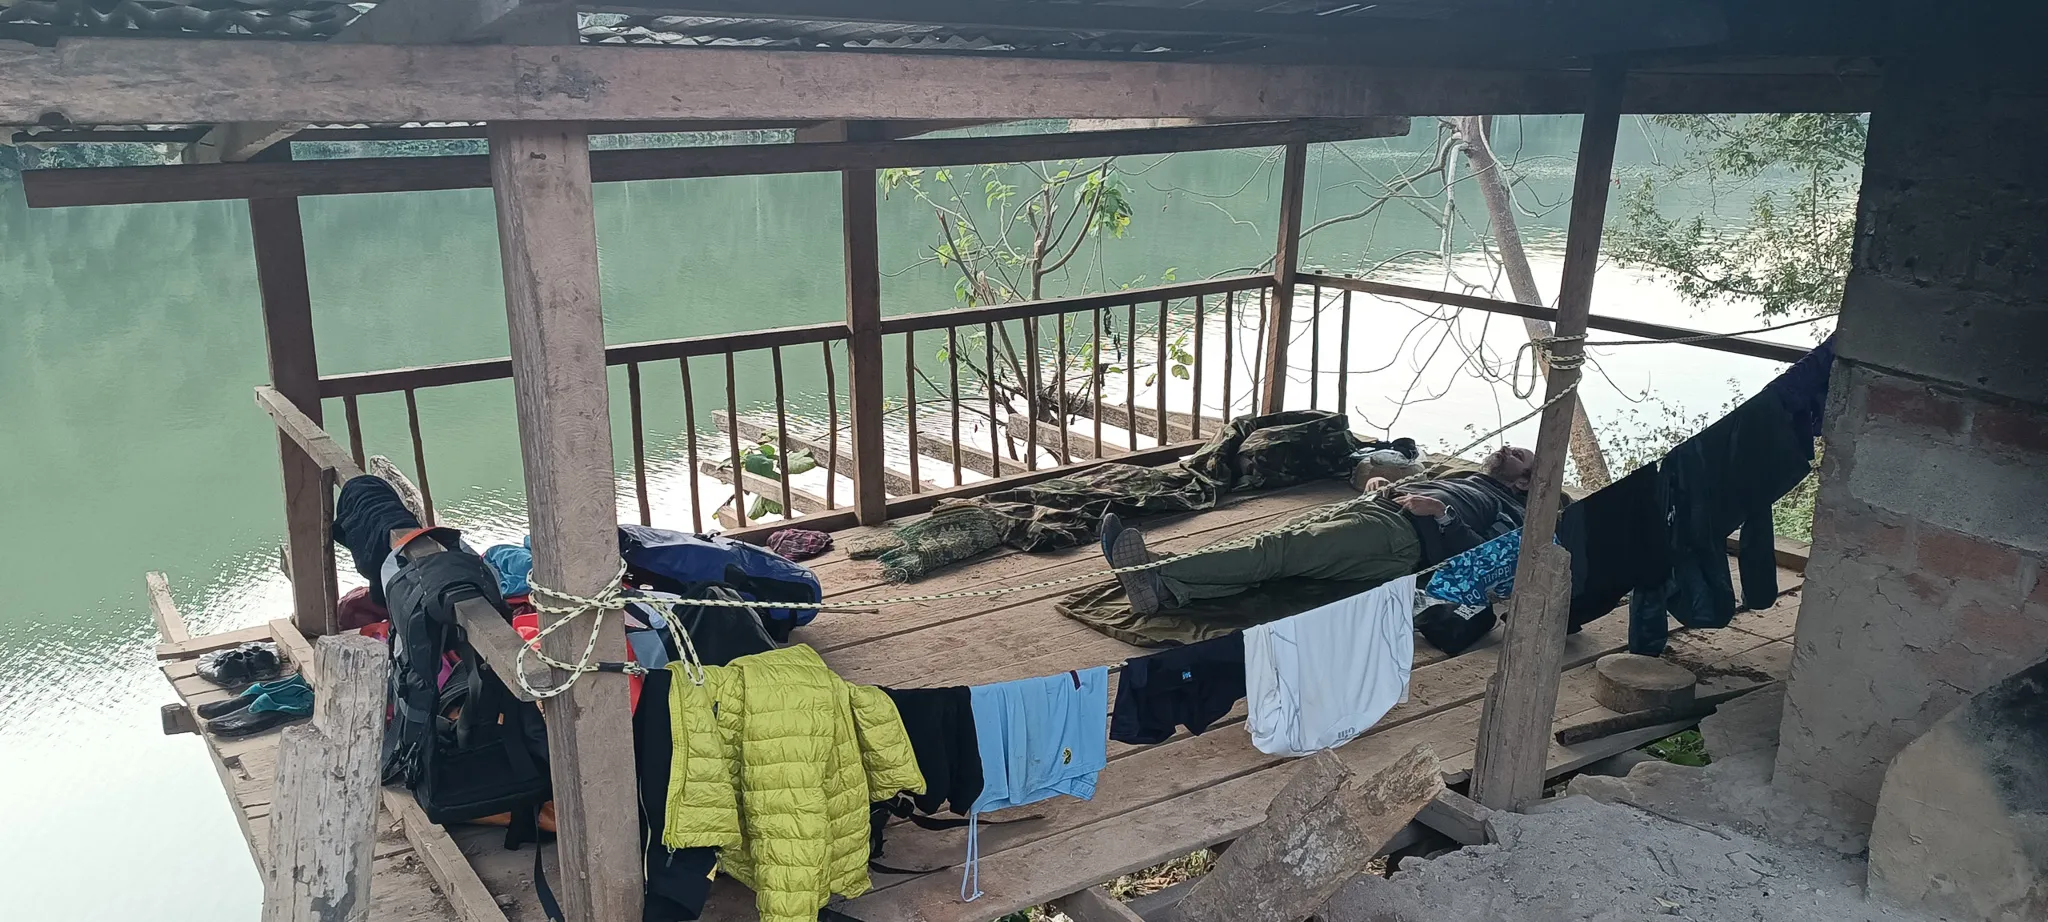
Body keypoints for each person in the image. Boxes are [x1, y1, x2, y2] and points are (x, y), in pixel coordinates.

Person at [1101, 446, 1537, 615]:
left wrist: (1442, 513)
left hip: (1397, 536)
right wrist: (1390, 485)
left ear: (1522, 483)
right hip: (1377, 509)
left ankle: (1157, 574)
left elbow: (1481, 556)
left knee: (1277, 551)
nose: (1508, 449)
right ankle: (1165, 581)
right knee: (1270, 547)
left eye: (1520, 456)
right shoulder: (1467, 478)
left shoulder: (1508, 510)